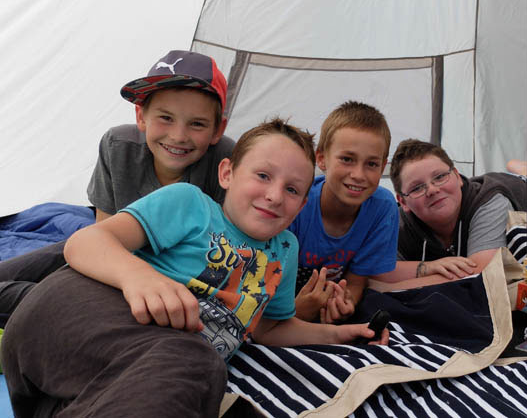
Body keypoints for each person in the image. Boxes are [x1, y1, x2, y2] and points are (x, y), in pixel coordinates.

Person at [1, 118, 389, 418]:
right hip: (84, 312)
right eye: (263, 176)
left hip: (107, 370)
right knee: (199, 367)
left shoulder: (285, 250)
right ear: (227, 174)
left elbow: (270, 327)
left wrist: (338, 334)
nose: (274, 195)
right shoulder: (192, 205)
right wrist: (139, 276)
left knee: (195, 387)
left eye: (292, 189)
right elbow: (85, 242)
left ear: (303, 204)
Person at [0, 50, 235, 326]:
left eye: (197, 124)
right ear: (141, 116)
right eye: (165, 118)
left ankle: (45, 306)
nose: (178, 136)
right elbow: (101, 235)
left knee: (66, 301)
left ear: (217, 130)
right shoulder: (118, 145)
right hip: (111, 254)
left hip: (169, 279)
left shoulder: (226, 164)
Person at [290, 101, 399, 324]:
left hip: (328, 298)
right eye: (347, 159)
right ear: (321, 158)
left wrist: (344, 303)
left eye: (371, 164)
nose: (358, 174)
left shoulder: (383, 208)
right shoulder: (295, 202)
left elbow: (357, 281)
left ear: (383, 166)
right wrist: (295, 312)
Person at [377, 139, 527, 283]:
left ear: (457, 176)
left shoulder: (489, 202)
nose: (432, 190)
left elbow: (479, 277)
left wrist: (392, 287)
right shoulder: (396, 226)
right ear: (403, 202)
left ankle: (523, 170)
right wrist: (425, 269)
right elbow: (376, 273)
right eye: (417, 188)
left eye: (440, 176)